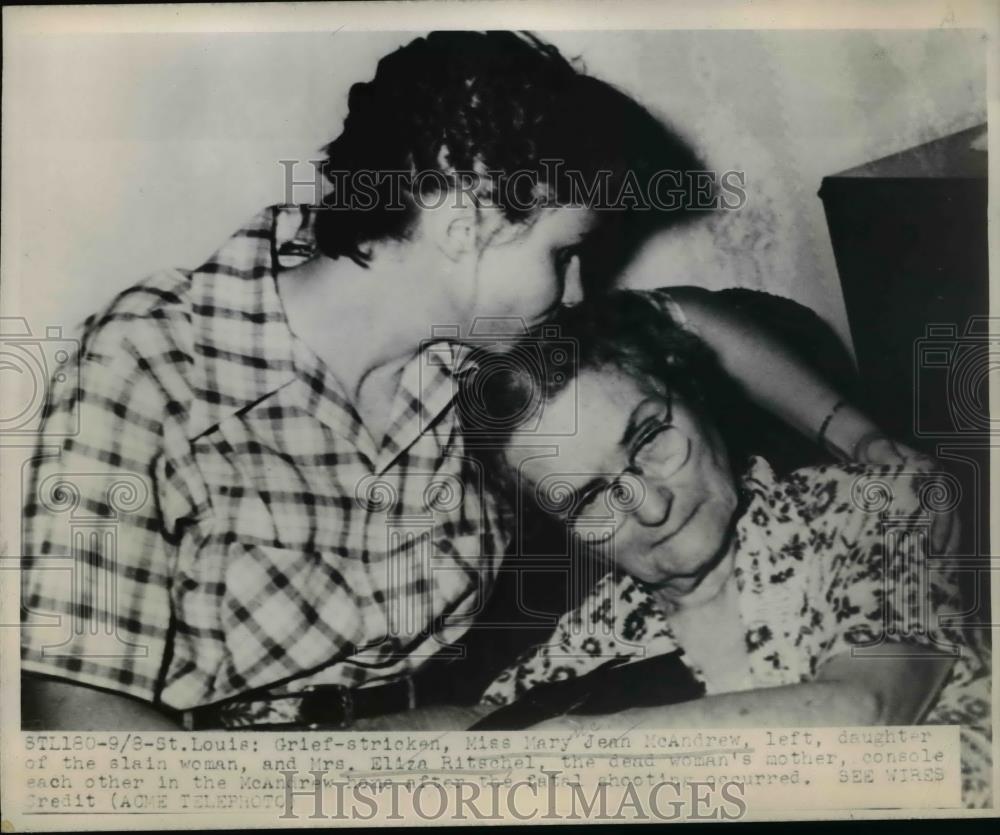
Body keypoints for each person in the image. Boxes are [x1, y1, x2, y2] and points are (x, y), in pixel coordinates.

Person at [21, 31, 914, 731]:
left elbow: (679, 320)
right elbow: (72, 718)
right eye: (564, 251)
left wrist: (868, 444)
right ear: (465, 212)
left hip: (467, 744)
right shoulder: (145, 363)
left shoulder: (483, 350)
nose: (575, 289)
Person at [468, 291, 991, 808]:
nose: (651, 508)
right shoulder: (597, 633)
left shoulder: (874, 509)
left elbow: (864, 713)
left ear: (693, 395)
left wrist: (575, 748)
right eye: (587, 499)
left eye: (650, 438)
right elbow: (466, 734)